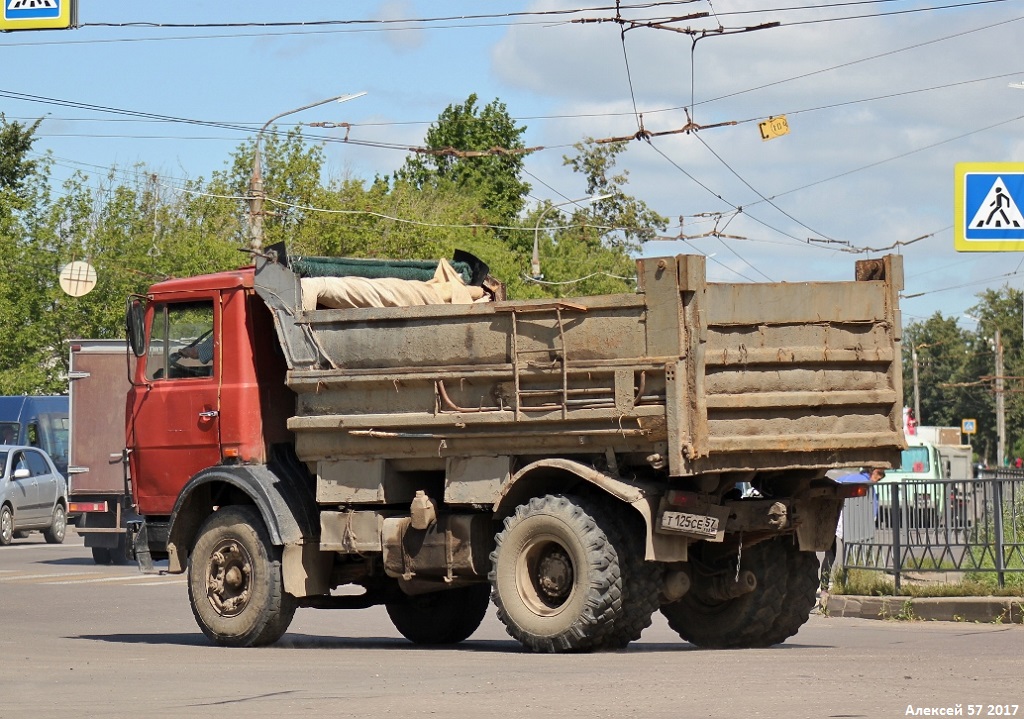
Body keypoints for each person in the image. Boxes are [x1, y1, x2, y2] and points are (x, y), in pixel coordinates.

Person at [820, 467, 885, 592]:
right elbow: (873, 506)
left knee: (830, 554)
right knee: (850, 553)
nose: (877, 482)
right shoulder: (866, 483)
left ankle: (824, 586)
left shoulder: (846, 478)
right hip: (848, 520)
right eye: (878, 479)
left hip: (832, 515)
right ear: (875, 473)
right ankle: (847, 584)